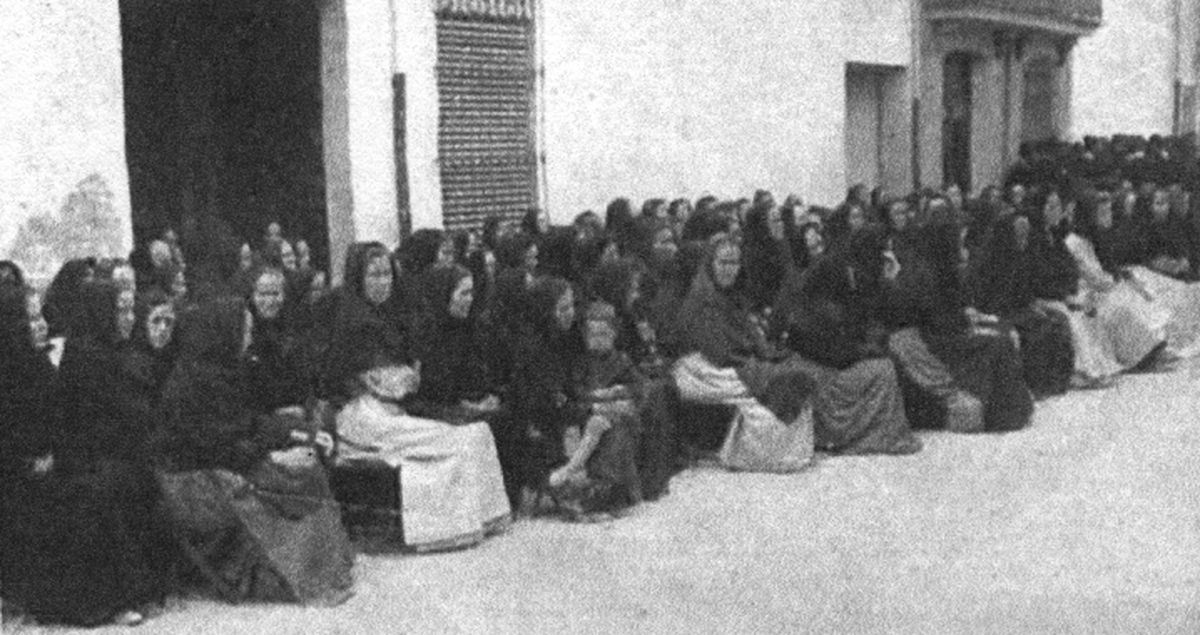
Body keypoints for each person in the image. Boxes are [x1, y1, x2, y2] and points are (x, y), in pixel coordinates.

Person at [156, 295, 354, 605]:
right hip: (199, 480)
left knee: (306, 465)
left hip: (230, 461)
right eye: (244, 330)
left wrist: (302, 433)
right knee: (294, 475)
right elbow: (215, 447)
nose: (249, 337)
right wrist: (273, 455)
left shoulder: (221, 372)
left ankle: (323, 564)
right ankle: (303, 572)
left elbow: (247, 424)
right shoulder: (189, 386)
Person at [3, 283, 172, 627]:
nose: (42, 326)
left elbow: (63, 425)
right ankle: (95, 602)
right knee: (92, 495)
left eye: (41, 317)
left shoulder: (37, 365)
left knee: (110, 480)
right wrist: (29, 462)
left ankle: (135, 589)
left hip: (50, 465)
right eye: (30, 319)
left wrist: (59, 457)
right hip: (15, 481)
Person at [331, 246, 510, 550]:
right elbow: (385, 382)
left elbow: (406, 379)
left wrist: (402, 377)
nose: (383, 282)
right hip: (363, 415)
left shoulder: (395, 318)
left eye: (387, 273)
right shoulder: (350, 323)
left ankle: (483, 518)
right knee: (457, 440)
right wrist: (401, 378)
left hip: (391, 409)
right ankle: (440, 530)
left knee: (478, 433)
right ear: (358, 279)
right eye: (374, 274)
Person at [673, 234, 819, 470]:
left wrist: (762, 352)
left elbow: (749, 337)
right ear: (710, 264)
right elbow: (719, 351)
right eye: (723, 263)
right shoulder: (701, 299)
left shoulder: (733, 297)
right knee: (783, 377)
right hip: (707, 368)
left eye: (735, 263)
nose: (730, 270)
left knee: (794, 367)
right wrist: (757, 357)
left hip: (733, 360)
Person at [777, 227, 922, 454]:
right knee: (883, 368)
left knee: (891, 355)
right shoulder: (832, 277)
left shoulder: (854, 275)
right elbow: (824, 341)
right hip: (817, 360)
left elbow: (888, 316)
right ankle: (871, 437)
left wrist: (891, 280)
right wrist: (863, 351)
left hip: (833, 353)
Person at [510, 276, 644, 513]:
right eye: (562, 308)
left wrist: (598, 402)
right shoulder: (531, 351)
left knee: (617, 418)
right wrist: (591, 408)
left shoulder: (564, 340)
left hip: (567, 411)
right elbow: (546, 404)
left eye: (572, 306)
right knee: (601, 421)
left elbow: (571, 391)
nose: (570, 314)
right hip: (541, 426)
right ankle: (580, 485)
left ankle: (604, 485)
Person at [887, 223, 1033, 432]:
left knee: (1000, 335)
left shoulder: (942, 269)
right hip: (937, 340)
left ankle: (1008, 411)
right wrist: (966, 325)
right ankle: (998, 415)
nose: (963, 250)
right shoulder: (927, 273)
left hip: (946, 333)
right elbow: (935, 319)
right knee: (996, 344)